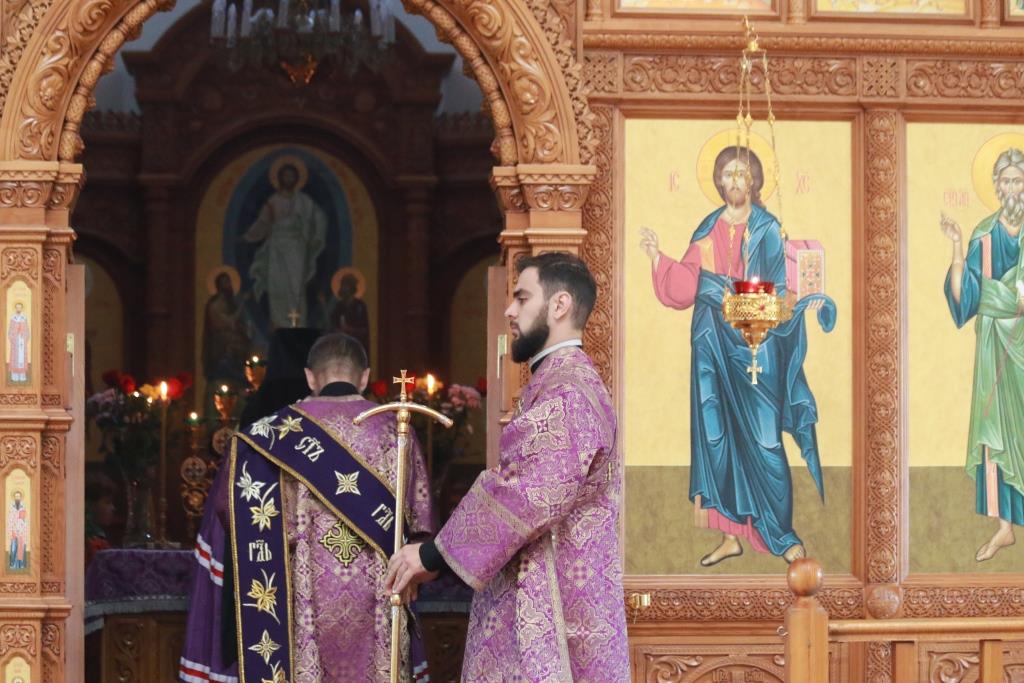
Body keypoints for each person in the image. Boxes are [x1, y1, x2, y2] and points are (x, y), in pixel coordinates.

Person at [386, 252, 629, 681]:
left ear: (559, 305)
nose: (509, 311)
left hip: (552, 613)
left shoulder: (567, 393)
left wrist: (432, 554)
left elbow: (525, 495)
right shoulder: (557, 383)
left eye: (522, 297)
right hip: (551, 598)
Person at [180, 332, 434, 683]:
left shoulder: (266, 437)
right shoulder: (396, 431)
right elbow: (421, 524)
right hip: (379, 596)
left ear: (311, 377)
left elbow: (230, 513)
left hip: (302, 596)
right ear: (364, 377)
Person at [638, 146, 834, 566]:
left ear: (755, 181)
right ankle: (730, 535)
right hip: (710, 342)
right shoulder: (708, 227)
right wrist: (657, 258)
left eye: (742, 173)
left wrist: (795, 299)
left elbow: (780, 291)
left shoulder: (768, 228)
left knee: (765, 439)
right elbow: (686, 284)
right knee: (716, 435)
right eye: (727, 174)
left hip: (755, 344)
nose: (734, 181)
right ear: (718, 182)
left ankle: (781, 533)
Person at [942, 147, 1024, 562]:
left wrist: (1011, 299)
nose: (1011, 189)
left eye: (1018, 181)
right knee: (996, 431)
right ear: (995, 186)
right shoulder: (984, 235)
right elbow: (967, 297)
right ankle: (1005, 527)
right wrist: (958, 246)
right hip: (994, 345)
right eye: (1005, 181)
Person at [242, 161, 327, 329]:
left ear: (297, 179)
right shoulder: (272, 201)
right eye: (286, 176)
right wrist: (247, 237)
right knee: (277, 285)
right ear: (279, 178)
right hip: (276, 247)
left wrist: (316, 237)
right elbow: (262, 223)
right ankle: (278, 323)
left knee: (296, 286)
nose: (289, 179)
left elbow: (320, 218)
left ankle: (297, 324)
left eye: (292, 176)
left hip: (296, 247)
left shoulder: (304, 201)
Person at [201, 271, 251, 385]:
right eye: (225, 283)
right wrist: (243, 302)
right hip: (220, 344)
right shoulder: (215, 305)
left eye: (229, 282)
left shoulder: (229, 302)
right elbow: (230, 322)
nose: (229, 285)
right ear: (219, 286)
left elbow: (237, 324)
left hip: (232, 340)